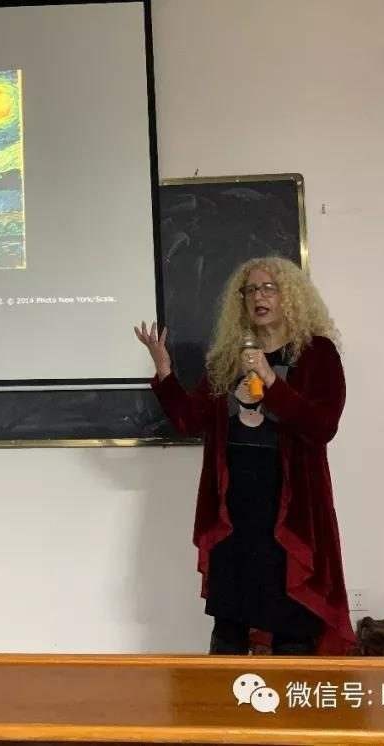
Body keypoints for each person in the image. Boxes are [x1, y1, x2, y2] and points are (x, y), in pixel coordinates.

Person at [134, 257, 354, 655]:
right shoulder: (229, 357)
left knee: (293, 620)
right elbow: (189, 419)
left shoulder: (316, 353)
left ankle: (291, 690)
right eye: (250, 290)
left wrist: (270, 379)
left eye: (268, 288)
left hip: (290, 510)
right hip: (234, 510)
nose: (258, 297)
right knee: (230, 623)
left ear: (290, 296)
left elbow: (323, 426)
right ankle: (225, 693)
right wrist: (164, 371)